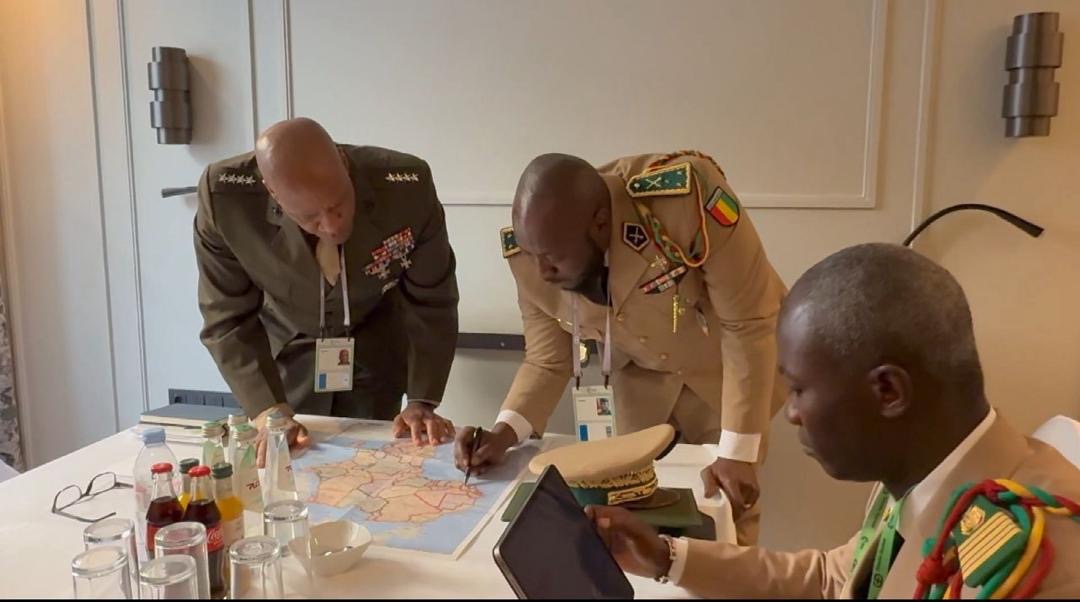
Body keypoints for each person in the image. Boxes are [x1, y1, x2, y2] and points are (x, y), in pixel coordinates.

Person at [587, 243, 1080, 598]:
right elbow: (833, 579)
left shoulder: (1034, 561)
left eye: (799, 389)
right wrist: (667, 559)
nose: (793, 413)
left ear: (889, 391)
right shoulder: (925, 476)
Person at [456, 151, 787, 544]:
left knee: (726, 514)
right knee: (630, 518)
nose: (541, 271)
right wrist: (503, 432)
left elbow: (747, 322)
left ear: (600, 225)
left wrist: (738, 451)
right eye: (533, 255)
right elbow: (547, 359)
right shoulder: (533, 251)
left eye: (551, 259)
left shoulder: (682, 200)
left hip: (725, 376)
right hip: (640, 388)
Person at [195, 118, 459, 464]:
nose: (332, 226)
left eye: (338, 205)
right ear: (272, 192)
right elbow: (227, 317)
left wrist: (422, 400)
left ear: (344, 165)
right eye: (311, 217)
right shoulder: (226, 200)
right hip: (287, 354)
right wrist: (268, 411)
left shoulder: (407, 186)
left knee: (375, 469)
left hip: (376, 349)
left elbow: (431, 300)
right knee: (292, 464)